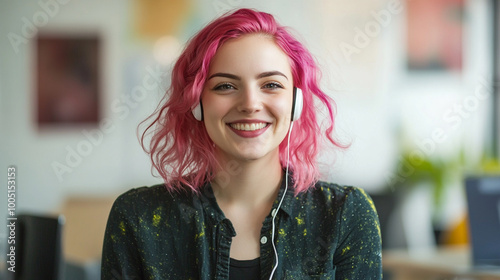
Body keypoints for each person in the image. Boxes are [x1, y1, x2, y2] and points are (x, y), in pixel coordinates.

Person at [101, 8, 382, 280]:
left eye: (271, 84)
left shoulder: (345, 214)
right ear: (197, 103)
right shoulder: (138, 218)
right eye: (225, 86)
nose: (250, 104)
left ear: (296, 102)